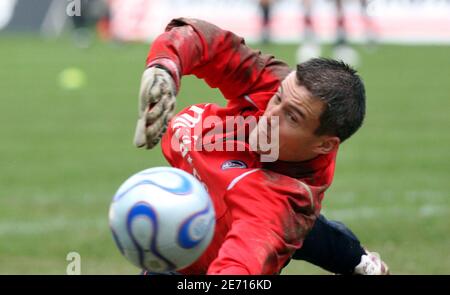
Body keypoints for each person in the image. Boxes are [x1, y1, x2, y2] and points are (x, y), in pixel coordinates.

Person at [133, 17, 388, 275]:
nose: (270, 115)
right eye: (278, 99)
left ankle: (357, 261)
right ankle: (360, 261)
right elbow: (207, 43)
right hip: (210, 173)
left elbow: (239, 266)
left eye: (292, 117)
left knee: (293, 230)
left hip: (211, 243)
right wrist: (165, 65)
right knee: (307, 234)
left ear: (325, 145)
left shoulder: (278, 204)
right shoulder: (280, 87)